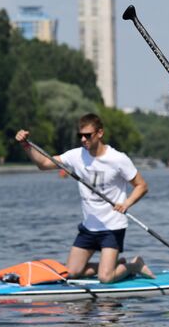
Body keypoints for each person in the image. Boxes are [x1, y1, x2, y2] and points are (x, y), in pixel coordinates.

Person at [15, 113, 155, 283]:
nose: (83, 139)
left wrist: (126, 203)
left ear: (100, 133)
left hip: (112, 227)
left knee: (106, 278)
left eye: (87, 135)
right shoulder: (76, 156)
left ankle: (134, 265)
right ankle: (116, 265)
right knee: (71, 273)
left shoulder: (118, 159)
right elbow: (44, 164)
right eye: (80, 135)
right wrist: (25, 145)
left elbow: (142, 186)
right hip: (89, 226)